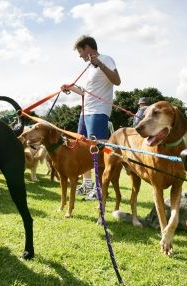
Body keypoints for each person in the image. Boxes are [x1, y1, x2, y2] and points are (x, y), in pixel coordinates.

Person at [60, 35, 121, 200]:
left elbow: (117, 81)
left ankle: (99, 187)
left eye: (80, 51)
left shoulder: (106, 59)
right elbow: (86, 93)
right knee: (81, 148)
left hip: (98, 111)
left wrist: (100, 64)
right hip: (85, 112)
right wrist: (71, 88)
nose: (80, 55)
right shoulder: (89, 68)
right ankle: (87, 184)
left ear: (88, 48)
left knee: (98, 150)